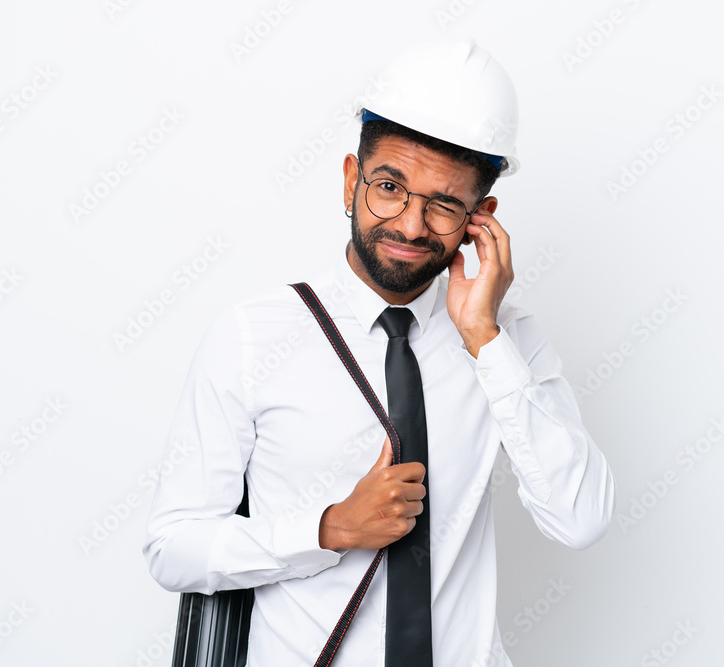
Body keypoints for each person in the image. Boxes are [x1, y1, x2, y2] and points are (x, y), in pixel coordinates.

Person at [143, 38, 616, 666]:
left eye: (445, 205)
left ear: (483, 216)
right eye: (390, 187)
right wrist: (328, 527)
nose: (412, 226)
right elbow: (173, 548)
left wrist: (484, 339)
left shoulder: (508, 341)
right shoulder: (252, 336)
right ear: (350, 179)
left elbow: (580, 519)